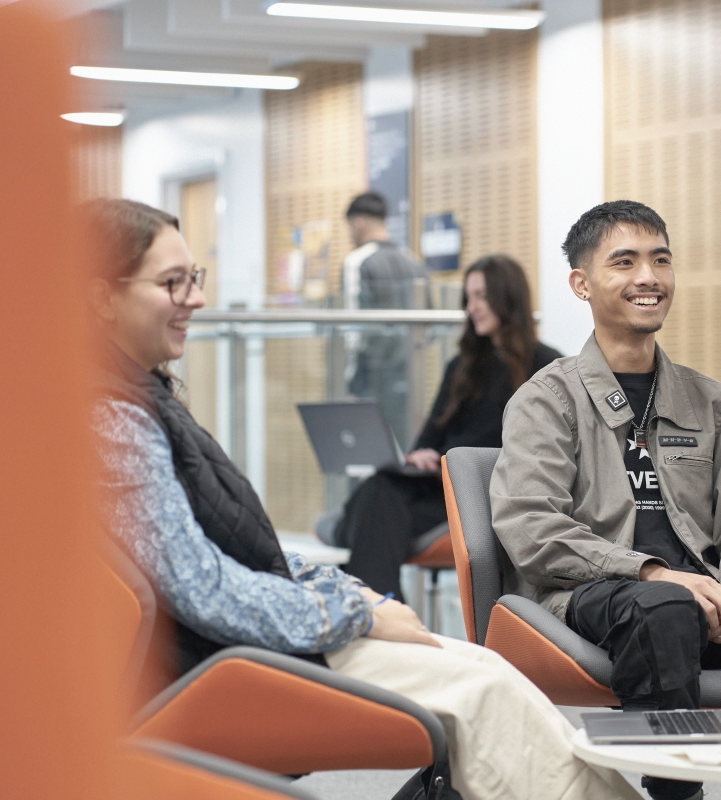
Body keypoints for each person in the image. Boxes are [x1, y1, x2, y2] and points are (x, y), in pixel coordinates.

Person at [86, 198, 639, 800]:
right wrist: (359, 613)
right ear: (100, 299)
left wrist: (352, 596)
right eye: (173, 282)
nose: (194, 298)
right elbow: (206, 589)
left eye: (194, 278)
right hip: (243, 659)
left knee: (490, 673)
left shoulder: (139, 403)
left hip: (269, 637)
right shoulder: (116, 421)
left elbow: (237, 555)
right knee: (483, 693)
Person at [490, 200, 721, 800]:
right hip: (603, 598)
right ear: (581, 284)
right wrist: (658, 573)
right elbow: (534, 528)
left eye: (660, 260)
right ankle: (679, 793)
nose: (648, 277)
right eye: (623, 262)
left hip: (714, 599)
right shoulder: (545, 400)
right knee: (664, 609)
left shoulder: (713, 403)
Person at [335, 255, 562, 598]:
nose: (472, 307)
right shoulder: (463, 366)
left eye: (481, 296)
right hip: (438, 481)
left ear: (507, 297)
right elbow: (429, 438)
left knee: (375, 504)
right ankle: (381, 608)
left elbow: (540, 453)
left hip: (482, 489)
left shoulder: (545, 365)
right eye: (468, 298)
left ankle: (370, 600)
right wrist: (421, 455)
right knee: (382, 487)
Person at [343, 191, 429, 446]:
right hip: (409, 382)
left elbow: (354, 332)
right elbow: (428, 327)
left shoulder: (357, 262)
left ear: (357, 223)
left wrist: (352, 387)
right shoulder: (414, 262)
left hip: (371, 382)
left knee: (363, 459)